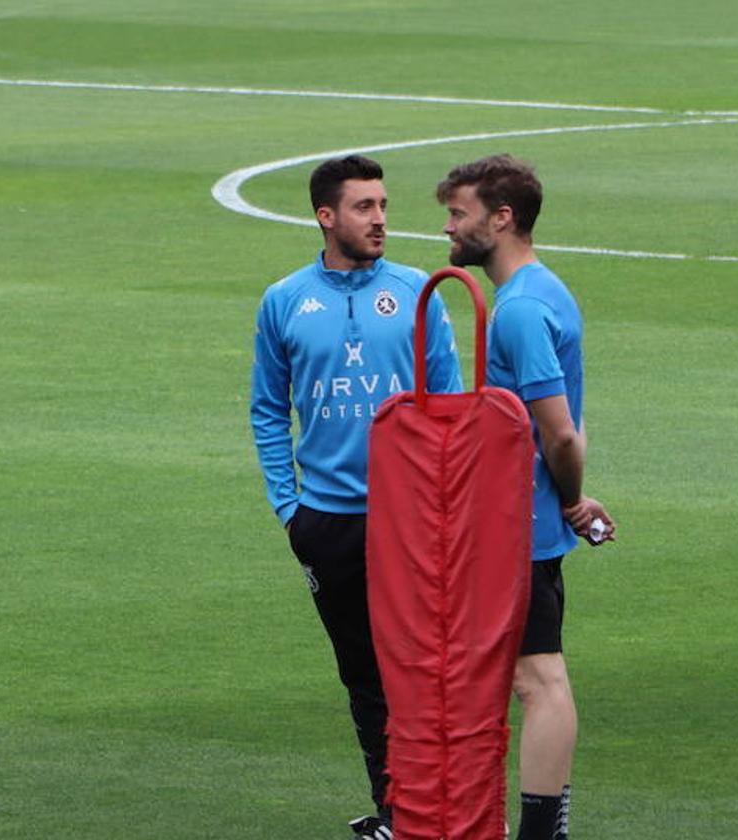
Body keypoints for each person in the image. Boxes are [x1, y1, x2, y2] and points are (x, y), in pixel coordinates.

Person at [250, 155, 462, 839]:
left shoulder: (420, 291)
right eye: (365, 207)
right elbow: (266, 409)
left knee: (425, 672)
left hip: (412, 522)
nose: (380, 219)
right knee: (364, 678)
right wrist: (290, 508)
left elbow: (453, 408)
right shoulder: (284, 300)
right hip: (329, 525)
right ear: (326, 216)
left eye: (383, 205)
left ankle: (440, 808)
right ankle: (401, 814)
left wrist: (442, 506)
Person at [436, 155, 616, 840]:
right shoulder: (548, 291)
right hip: (524, 522)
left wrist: (570, 498)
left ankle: (543, 832)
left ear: (501, 217)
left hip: (519, 529)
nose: (449, 228)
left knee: (539, 683)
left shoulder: (518, 312)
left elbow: (561, 434)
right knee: (526, 680)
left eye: (459, 214)